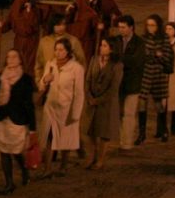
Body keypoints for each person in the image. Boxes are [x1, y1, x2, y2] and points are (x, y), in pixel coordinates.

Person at [0, 49, 36, 194]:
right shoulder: (1, 76)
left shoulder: (25, 79)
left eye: (14, 56)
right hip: (2, 118)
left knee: (15, 151)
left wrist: (32, 127)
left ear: (20, 60)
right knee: (3, 151)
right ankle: (9, 183)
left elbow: (29, 105)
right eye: (9, 57)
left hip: (17, 120)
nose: (11, 59)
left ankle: (24, 170)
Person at [37, 38, 85, 178]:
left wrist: (76, 113)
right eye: (56, 49)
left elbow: (79, 92)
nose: (58, 53)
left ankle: (64, 165)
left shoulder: (76, 68)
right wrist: (45, 80)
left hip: (67, 108)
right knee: (49, 137)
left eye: (61, 50)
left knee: (65, 138)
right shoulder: (50, 65)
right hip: (51, 107)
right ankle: (47, 168)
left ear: (68, 51)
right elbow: (42, 86)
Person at [84, 38, 123, 170]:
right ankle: (93, 157)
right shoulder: (94, 60)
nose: (101, 48)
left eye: (105, 46)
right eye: (101, 45)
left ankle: (100, 159)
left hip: (107, 104)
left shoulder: (117, 65)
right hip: (92, 101)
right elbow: (88, 79)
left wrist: (98, 100)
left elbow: (113, 88)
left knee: (104, 133)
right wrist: (89, 96)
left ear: (112, 49)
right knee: (91, 131)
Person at [136, 14, 173, 144]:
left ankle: (163, 130)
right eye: (148, 25)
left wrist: (157, 56)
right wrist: (155, 54)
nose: (150, 27)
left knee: (159, 105)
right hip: (145, 74)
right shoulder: (143, 39)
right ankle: (142, 133)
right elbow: (141, 56)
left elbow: (166, 56)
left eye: (153, 25)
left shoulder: (164, 39)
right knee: (141, 103)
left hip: (158, 75)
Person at [113, 15, 146, 151]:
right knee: (119, 113)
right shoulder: (116, 41)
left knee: (129, 113)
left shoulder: (139, 43)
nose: (120, 30)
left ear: (131, 27)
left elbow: (136, 61)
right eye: (119, 27)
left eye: (123, 27)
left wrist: (120, 58)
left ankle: (127, 142)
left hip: (133, 83)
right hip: (118, 84)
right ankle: (122, 139)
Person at [34, 14, 86, 83]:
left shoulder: (73, 41)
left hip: (67, 84)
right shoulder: (44, 41)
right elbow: (39, 64)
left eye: (63, 24)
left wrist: (76, 81)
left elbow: (82, 62)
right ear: (52, 25)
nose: (61, 27)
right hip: (48, 82)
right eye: (58, 25)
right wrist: (39, 81)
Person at [0, 0, 40, 77]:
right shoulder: (15, 11)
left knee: (29, 62)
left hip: (31, 41)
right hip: (19, 40)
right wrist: (1, 26)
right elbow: (8, 23)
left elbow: (32, 26)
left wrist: (29, 11)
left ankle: (28, 80)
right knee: (19, 60)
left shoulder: (32, 10)